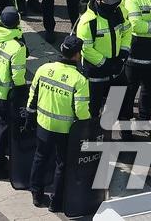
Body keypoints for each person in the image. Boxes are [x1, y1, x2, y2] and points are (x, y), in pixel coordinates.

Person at [27, 36, 91, 209]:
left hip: (43, 124)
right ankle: (56, 202)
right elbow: (81, 111)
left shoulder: (44, 69)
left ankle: (36, 194)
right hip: (65, 130)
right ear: (77, 55)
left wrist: (30, 117)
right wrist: (86, 128)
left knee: (40, 158)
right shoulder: (79, 80)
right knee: (62, 164)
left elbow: (32, 96)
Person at [0, 6, 30, 182]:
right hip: (7, 94)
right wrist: (22, 93)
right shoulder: (17, 47)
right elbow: (18, 76)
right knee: (5, 130)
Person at [77, 0, 129, 131]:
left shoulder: (119, 11)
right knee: (93, 106)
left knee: (116, 99)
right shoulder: (88, 21)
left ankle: (108, 127)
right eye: (108, 2)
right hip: (96, 72)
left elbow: (127, 31)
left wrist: (123, 53)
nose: (112, 4)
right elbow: (86, 48)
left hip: (116, 67)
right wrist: (105, 63)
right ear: (98, 1)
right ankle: (92, 132)